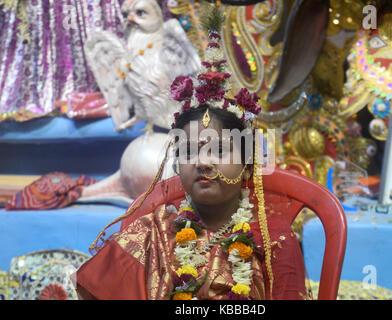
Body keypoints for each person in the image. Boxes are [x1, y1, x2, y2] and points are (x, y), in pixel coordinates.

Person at [74, 5, 308, 300]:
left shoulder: (274, 239)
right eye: (189, 152)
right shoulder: (152, 231)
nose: (202, 162)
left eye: (220, 150)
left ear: (248, 166)